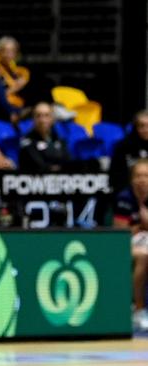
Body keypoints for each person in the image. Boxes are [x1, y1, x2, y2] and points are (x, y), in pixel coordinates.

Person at [113, 158, 148, 331]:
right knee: (143, 256)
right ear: (132, 179)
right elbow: (121, 233)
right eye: (138, 176)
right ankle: (139, 309)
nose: (142, 180)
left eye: (146, 176)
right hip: (128, 244)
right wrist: (141, 225)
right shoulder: (124, 198)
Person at [18, 102, 71, 173]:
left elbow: (67, 163)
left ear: (52, 119)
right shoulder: (27, 141)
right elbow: (39, 165)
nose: (42, 120)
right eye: (38, 115)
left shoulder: (59, 139)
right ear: (33, 119)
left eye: (46, 115)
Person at [110, 109, 148, 192]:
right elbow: (115, 175)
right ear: (135, 127)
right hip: (130, 192)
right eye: (142, 126)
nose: (146, 129)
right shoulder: (123, 147)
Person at [0, 36, 30, 108]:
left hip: (21, 104)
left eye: (11, 51)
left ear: (16, 53)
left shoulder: (22, 71)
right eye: (4, 51)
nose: (7, 54)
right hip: (2, 106)